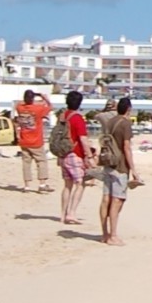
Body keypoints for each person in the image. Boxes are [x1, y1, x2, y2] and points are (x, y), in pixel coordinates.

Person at [97, 95, 138, 246]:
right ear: (128, 109)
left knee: (105, 199)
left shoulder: (110, 121)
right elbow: (126, 147)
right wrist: (133, 169)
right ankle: (113, 235)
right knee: (117, 201)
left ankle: (104, 233)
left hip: (108, 162)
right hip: (120, 165)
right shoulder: (125, 123)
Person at [57, 90, 89, 226]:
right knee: (80, 183)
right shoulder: (77, 118)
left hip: (63, 154)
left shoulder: (62, 116)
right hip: (74, 154)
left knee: (67, 185)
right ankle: (72, 213)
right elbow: (83, 139)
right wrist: (89, 155)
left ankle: (63, 214)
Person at [14, 91, 54, 193]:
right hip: (35, 140)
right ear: (32, 99)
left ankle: (26, 186)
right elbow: (50, 106)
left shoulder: (20, 108)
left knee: (26, 163)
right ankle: (42, 184)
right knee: (41, 161)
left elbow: (18, 104)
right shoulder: (38, 109)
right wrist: (44, 97)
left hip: (24, 140)